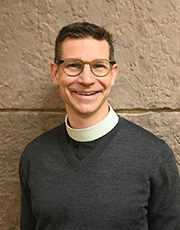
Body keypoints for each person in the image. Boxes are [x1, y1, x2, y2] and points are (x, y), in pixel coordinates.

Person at [19, 22, 180, 230]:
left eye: (99, 66)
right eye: (73, 65)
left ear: (113, 74)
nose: (86, 79)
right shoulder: (34, 156)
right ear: (55, 73)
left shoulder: (155, 157)